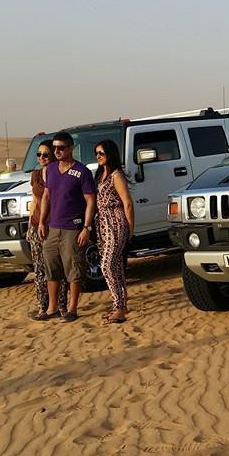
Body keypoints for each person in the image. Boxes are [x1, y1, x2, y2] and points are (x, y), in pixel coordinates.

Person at [39, 132, 96, 322]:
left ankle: (72, 309)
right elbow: (46, 196)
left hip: (73, 228)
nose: (57, 151)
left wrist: (86, 228)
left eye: (61, 148)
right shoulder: (52, 169)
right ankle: (52, 308)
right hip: (53, 227)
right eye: (55, 148)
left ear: (71, 148)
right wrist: (41, 222)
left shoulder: (81, 171)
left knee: (73, 269)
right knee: (51, 268)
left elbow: (90, 200)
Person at [93, 139, 135, 324]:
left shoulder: (116, 175)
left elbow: (127, 202)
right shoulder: (101, 174)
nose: (98, 157)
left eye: (101, 153)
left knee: (107, 265)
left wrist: (130, 228)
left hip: (116, 222)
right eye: (97, 153)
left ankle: (118, 307)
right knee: (116, 266)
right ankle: (121, 304)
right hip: (102, 224)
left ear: (110, 154)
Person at [28, 140, 68, 320]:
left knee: (57, 267)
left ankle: (61, 306)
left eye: (45, 154)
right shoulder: (36, 175)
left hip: (56, 225)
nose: (42, 158)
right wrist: (30, 225)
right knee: (39, 268)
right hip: (38, 226)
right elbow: (35, 200)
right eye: (39, 155)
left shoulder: (59, 173)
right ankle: (42, 307)